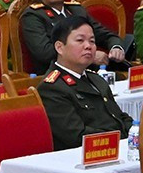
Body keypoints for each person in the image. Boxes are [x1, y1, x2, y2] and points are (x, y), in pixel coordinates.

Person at [39, 18, 133, 150]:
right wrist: (120, 139)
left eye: (92, 41)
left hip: (114, 147)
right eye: (80, 40)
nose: (88, 46)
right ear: (59, 47)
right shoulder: (52, 88)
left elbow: (119, 117)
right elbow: (76, 136)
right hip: (84, 156)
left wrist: (137, 132)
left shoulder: (96, 79)